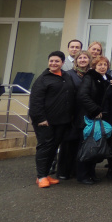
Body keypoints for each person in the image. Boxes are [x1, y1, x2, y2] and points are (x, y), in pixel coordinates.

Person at [29, 51, 76, 188]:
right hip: (45, 121)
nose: (53, 63)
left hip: (61, 120)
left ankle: (46, 174)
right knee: (45, 147)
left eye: (57, 61)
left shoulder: (66, 76)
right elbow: (35, 101)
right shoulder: (43, 79)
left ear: (62, 63)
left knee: (53, 147)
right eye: (51, 61)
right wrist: (40, 118)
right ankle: (41, 176)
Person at [76, 55, 112, 185]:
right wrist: (95, 110)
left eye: (105, 65)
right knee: (86, 146)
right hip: (88, 118)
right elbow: (82, 95)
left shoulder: (108, 79)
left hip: (100, 119)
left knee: (95, 146)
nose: (102, 67)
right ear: (94, 66)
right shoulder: (89, 78)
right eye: (99, 65)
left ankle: (91, 173)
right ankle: (82, 175)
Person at [57, 50, 92, 180]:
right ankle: (64, 171)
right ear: (76, 61)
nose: (83, 60)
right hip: (72, 113)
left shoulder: (91, 75)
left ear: (89, 60)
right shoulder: (68, 74)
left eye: (85, 58)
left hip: (86, 113)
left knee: (82, 143)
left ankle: (78, 170)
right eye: (80, 58)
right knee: (68, 143)